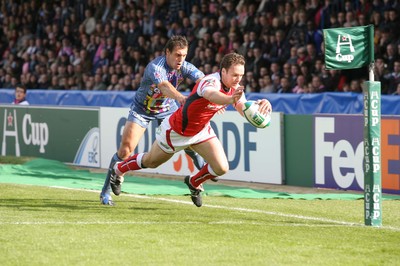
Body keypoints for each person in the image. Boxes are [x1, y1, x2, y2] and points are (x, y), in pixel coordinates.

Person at [107, 53, 272, 207]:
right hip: (176, 131)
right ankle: (118, 169)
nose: (238, 79)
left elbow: (243, 108)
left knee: (221, 168)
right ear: (223, 71)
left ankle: (194, 182)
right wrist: (229, 99)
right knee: (151, 161)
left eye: (241, 76)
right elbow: (212, 95)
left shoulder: (235, 90)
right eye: (235, 75)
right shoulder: (210, 82)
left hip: (201, 131)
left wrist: (259, 106)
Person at [100, 36, 206, 205]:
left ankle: (199, 179)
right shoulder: (155, 67)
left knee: (190, 144)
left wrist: (212, 92)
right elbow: (164, 86)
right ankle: (106, 191)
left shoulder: (184, 66)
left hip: (167, 110)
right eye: (177, 55)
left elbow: (203, 80)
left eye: (184, 55)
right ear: (167, 52)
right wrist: (181, 98)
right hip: (142, 109)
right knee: (125, 151)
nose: (181, 59)